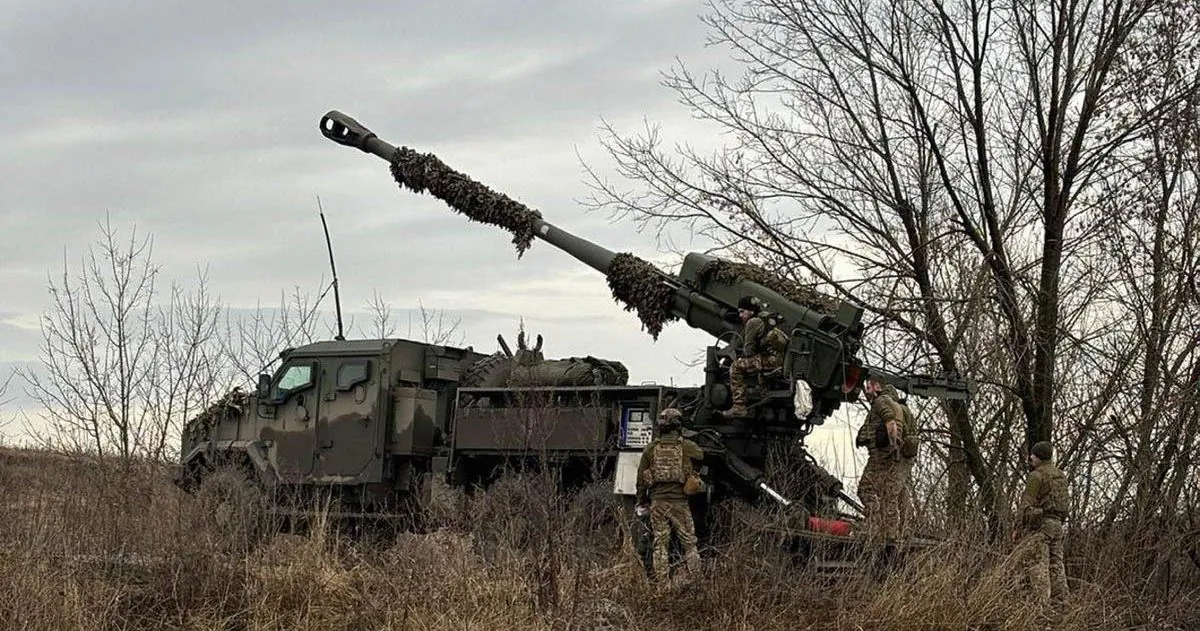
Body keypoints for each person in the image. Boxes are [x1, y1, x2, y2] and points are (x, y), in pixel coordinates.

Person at [636, 408, 704, 585]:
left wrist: (641, 501)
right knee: (689, 543)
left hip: (658, 503)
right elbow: (700, 455)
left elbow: (641, 480)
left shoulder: (651, 449)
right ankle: (696, 580)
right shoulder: (688, 447)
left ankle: (663, 584)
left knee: (660, 543)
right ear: (678, 425)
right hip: (679, 502)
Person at [1008, 440, 1070, 609]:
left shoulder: (1037, 475)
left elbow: (1026, 503)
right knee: (1057, 565)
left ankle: (1041, 608)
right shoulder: (1060, 476)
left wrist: (1017, 527)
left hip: (1041, 527)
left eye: (1032, 455)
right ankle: (1061, 605)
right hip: (1057, 525)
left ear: (1038, 457)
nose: (1030, 458)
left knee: (1039, 565)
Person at [855, 379, 905, 541]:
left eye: (868, 387)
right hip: (885, 455)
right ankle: (888, 532)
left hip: (880, 456)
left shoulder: (881, 401)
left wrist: (892, 445)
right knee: (886, 494)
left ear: (877, 387)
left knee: (865, 490)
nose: (867, 391)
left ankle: (875, 525)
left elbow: (890, 421)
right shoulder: (889, 401)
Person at [726, 296, 789, 418]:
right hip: (779, 360)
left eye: (742, 311)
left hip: (771, 361)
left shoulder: (753, 322)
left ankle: (739, 406)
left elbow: (748, 350)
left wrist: (740, 357)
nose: (740, 315)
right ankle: (762, 392)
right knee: (755, 363)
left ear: (751, 311)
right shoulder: (769, 318)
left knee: (736, 367)